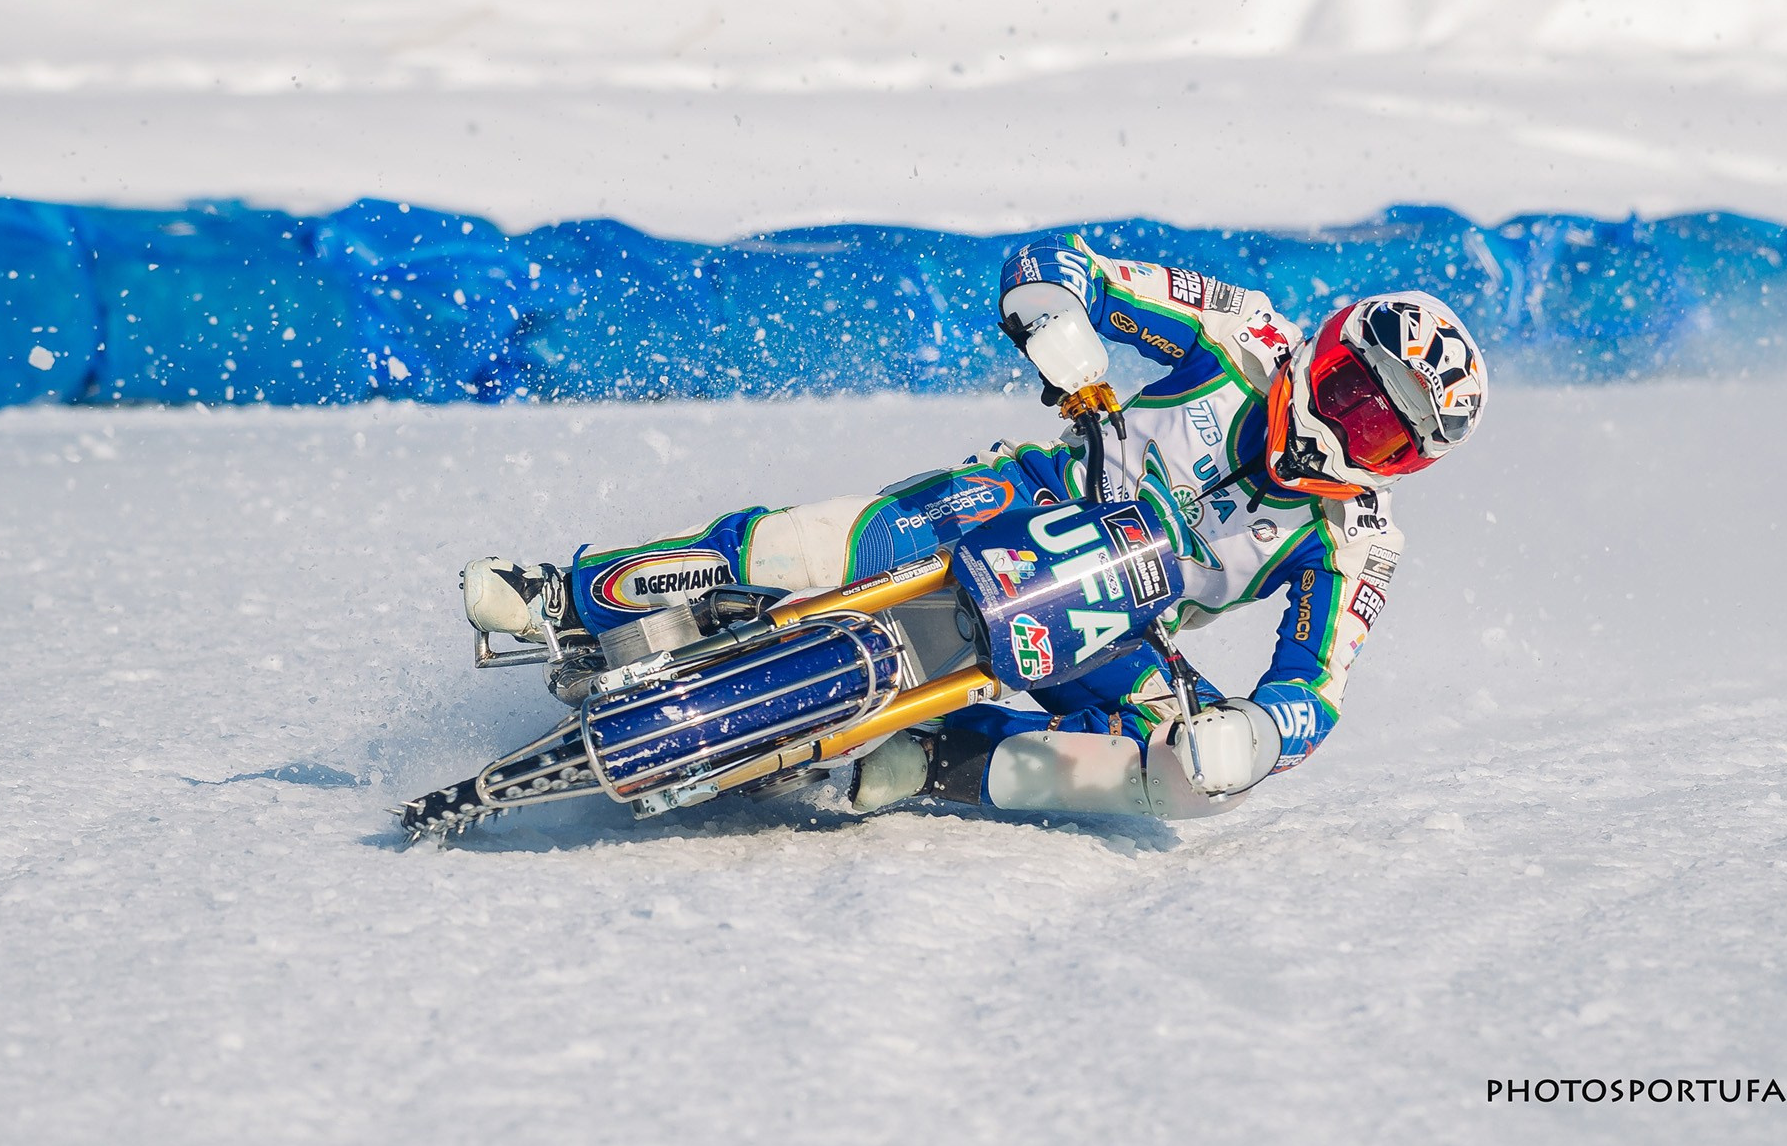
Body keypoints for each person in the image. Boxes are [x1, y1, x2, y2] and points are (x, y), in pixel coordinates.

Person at [461, 232, 1488, 820]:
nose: (1351, 431)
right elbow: (1059, 261)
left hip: (1125, 625)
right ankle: (571, 589)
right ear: (1326, 352)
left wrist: (1254, 732)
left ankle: (943, 758)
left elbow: (1315, 689)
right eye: (1354, 392)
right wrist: (1067, 343)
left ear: (1410, 463)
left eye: (1386, 433)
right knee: (826, 540)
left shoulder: (1354, 539)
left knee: (1181, 780)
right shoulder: (1243, 332)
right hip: (1031, 495)